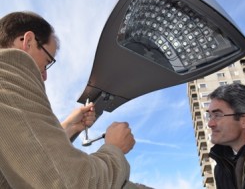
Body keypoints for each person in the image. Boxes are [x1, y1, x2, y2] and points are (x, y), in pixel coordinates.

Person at [0, 11, 151, 189]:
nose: (45, 75)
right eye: (48, 61)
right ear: (28, 41)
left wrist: (70, 127)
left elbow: (22, 160)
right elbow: (68, 183)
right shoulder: (8, 76)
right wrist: (114, 149)